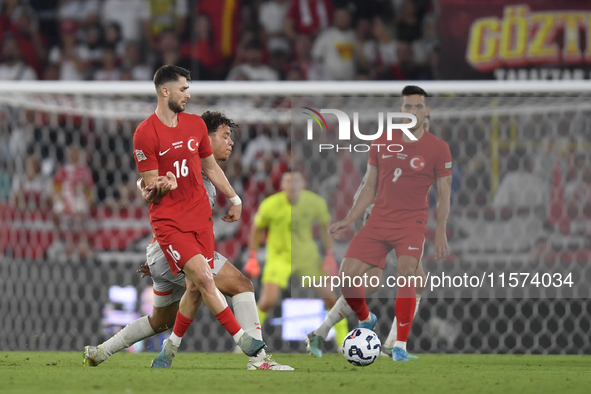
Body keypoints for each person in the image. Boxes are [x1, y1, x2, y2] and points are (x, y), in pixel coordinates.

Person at [84, 111, 292, 371]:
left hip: (165, 252)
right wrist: (144, 187)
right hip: (173, 249)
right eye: (225, 136)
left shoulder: (204, 169)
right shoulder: (187, 158)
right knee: (241, 285)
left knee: (160, 319)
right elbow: (153, 181)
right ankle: (259, 360)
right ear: (204, 137)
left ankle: (102, 351)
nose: (231, 142)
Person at [132, 65, 264, 369]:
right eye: (226, 136)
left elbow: (210, 168)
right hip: (171, 232)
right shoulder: (151, 136)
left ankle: (166, 350)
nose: (231, 142)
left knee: (186, 296)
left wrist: (235, 198)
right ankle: (251, 349)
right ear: (165, 91)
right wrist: (156, 188)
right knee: (229, 283)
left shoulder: (195, 141)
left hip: (196, 231)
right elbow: (149, 187)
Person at [307, 86, 452, 362]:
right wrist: (351, 218)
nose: (414, 113)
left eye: (419, 108)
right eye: (408, 108)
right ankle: (345, 329)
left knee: (411, 277)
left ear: (427, 112)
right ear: (400, 112)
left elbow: (443, 193)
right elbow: (369, 185)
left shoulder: (436, 149)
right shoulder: (383, 143)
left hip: (410, 222)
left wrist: (441, 230)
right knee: (367, 281)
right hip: (376, 216)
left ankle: (395, 345)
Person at [244, 169, 349, 347]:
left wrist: (329, 254)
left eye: (296, 181)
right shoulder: (270, 204)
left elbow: (325, 226)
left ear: (303, 183)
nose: (292, 185)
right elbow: (257, 228)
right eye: (288, 181)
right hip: (279, 256)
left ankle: (343, 341)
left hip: (306, 256)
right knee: (267, 300)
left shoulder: (315, 202)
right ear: (282, 185)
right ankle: (247, 341)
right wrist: (252, 256)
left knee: (330, 298)